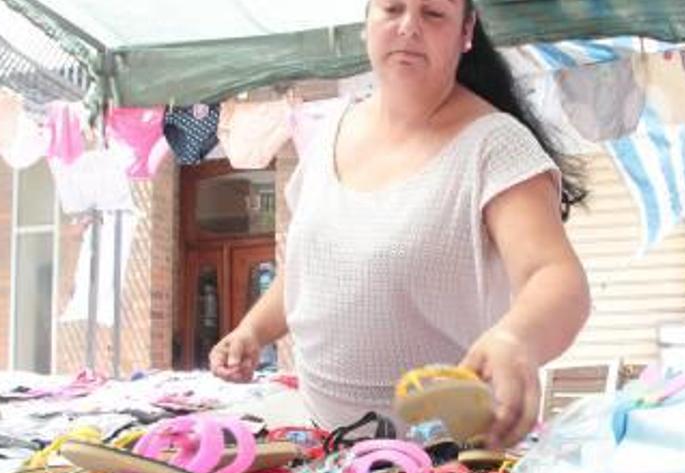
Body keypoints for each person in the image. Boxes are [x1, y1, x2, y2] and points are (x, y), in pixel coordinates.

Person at [211, 0, 591, 449]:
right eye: (392, 8)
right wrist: (252, 331)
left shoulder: (495, 144)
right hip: (321, 450)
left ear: (466, 31)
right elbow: (311, 268)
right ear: (367, 23)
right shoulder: (332, 129)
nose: (409, 26)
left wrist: (516, 339)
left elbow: (553, 275)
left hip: (447, 464)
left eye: (433, 14)